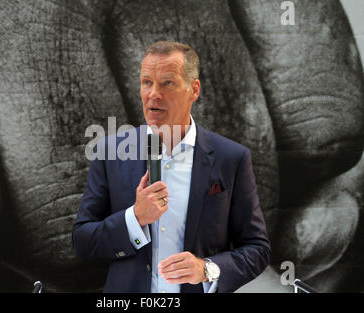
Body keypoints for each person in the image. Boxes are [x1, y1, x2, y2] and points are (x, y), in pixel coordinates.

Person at [73, 40, 270, 293]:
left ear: (194, 89)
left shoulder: (231, 158)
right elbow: (82, 241)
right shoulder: (111, 152)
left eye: (167, 83)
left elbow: (257, 249)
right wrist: (135, 219)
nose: (153, 94)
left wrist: (207, 269)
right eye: (146, 82)